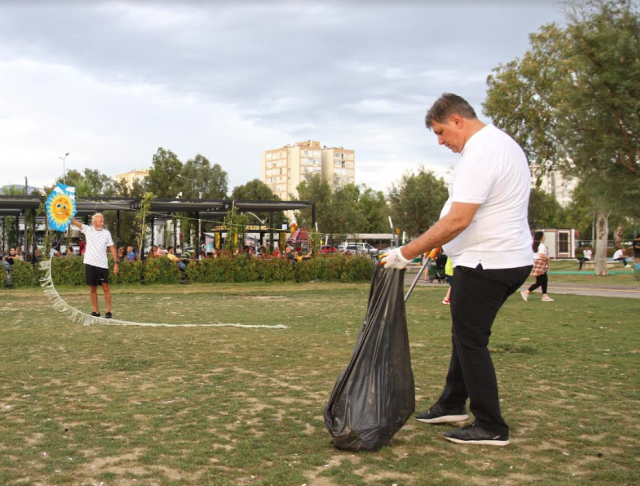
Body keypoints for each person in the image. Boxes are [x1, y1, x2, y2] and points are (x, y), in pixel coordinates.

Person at [381, 93, 533, 447]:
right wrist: (440, 242)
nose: (440, 141)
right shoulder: (500, 144)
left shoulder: (480, 153)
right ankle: (451, 403)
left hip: (488, 263)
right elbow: (468, 211)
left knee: (470, 339)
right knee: (465, 333)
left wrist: (406, 252)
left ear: (457, 121)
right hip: (501, 258)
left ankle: (491, 425)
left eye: (440, 132)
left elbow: (460, 218)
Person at [70, 213, 119, 319]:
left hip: (102, 264)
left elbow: (112, 248)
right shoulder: (88, 229)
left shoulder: (106, 233)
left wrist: (116, 263)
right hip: (90, 263)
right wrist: (67, 214)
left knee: (105, 287)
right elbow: (74, 222)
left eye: (103, 221)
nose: (102, 222)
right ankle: (95, 311)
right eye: (100, 221)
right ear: (94, 222)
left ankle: (108, 311)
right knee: (92, 288)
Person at [521, 232, 553, 302]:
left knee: (544, 280)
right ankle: (526, 292)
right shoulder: (541, 245)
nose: (545, 237)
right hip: (540, 264)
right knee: (540, 281)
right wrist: (548, 257)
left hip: (536, 263)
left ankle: (545, 296)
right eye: (544, 236)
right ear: (541, 237)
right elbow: (541, 255)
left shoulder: (534, 245)